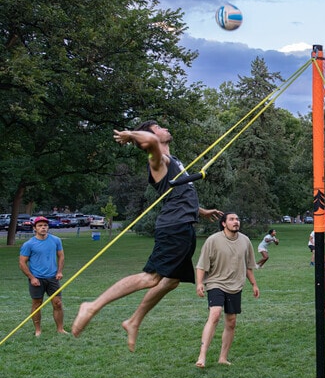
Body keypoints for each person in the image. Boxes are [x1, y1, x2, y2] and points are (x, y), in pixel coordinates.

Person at [72, 120, 222, 351]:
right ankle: (91, 306)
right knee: (151, 278)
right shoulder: (157, 160)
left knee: (171, 281)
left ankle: (133, 321)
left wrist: (201, 211)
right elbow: (151, 141)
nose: (166, 128)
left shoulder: (173, 161)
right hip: (175, 227)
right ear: (150, 136)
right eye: (160, 127)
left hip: (184, 225)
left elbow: (177, 193)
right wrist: (132, 135)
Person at [195, 212, 260, 368]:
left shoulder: (245, 241)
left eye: (237, 219)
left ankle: (223, 358)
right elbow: (201, 265)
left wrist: (254, 284)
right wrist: (199, 283)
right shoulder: (213, 240)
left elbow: (249, 266)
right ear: (224, 223)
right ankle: (202, 356)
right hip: (215, 283)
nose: (236, 222)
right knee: (215, 314)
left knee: (231, 322)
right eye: (231, 219)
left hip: (236, 285)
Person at [19, 216, 67, 336]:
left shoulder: (56, 240)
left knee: (58, 303)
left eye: (45, 225)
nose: (43, 228)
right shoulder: (28, 244)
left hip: (53, 278)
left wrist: (59, 271)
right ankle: (38, 330)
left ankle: (60, 329)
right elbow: (22, 263)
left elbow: (61, 256)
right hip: (37, 279)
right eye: (40, 226)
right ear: (35, 228)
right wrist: (32, 277)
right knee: (37, 304)